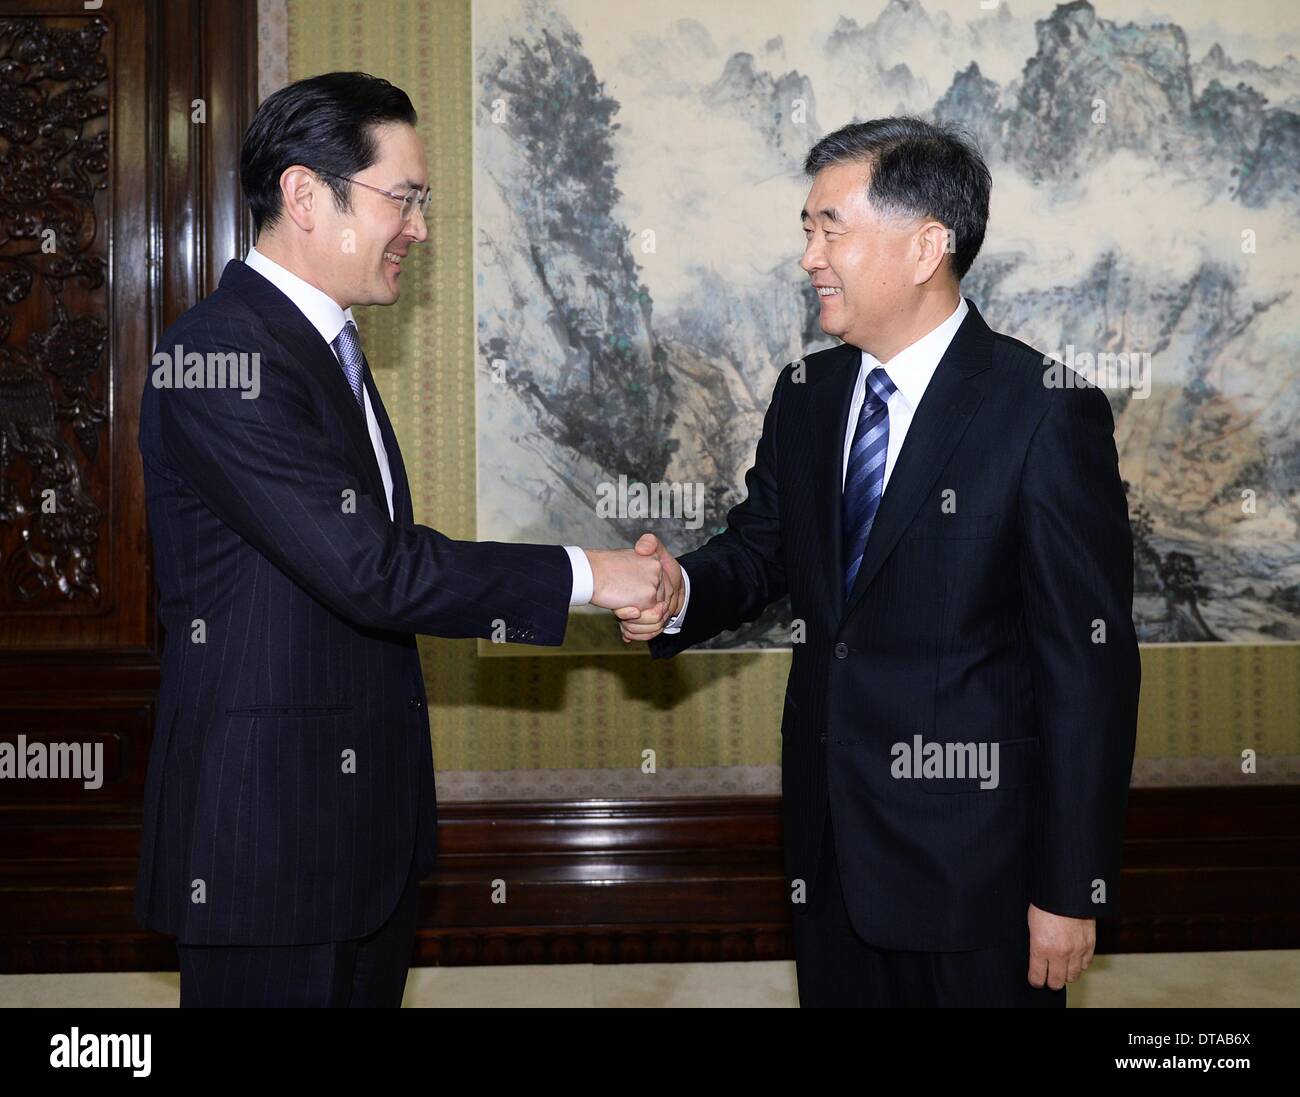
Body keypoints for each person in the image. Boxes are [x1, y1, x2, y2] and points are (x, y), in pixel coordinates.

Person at [135, 71, 659, 1007]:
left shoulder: (320, 346)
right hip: (269, 855)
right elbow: (373, 570)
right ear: (305, 195)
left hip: (361, 845)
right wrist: (595, 575)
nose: (418, 228)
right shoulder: (219, 360)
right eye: (403, 199)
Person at [625, 117, 1141, 1008]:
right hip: (828, 862)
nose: (809, 257)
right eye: (807, 229)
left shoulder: (1043, 412)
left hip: (979, 876)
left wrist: (1070, 885)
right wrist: (677, 592)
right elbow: (760, 552)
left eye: (832, 228)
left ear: (924, 247)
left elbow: (1087, 669)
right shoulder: (808, 397)